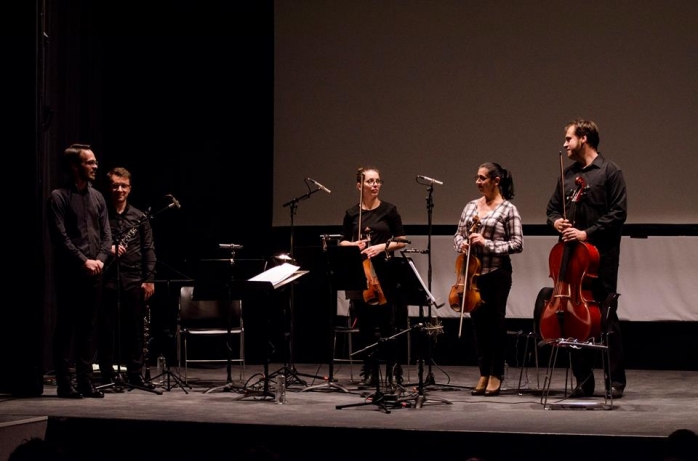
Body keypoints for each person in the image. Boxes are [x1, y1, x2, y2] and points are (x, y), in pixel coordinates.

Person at [546, 118, 627, 399]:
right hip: (571, 257)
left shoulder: (609, 171)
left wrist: (586, 233)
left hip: (599, 257)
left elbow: (618, 213)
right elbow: (552, 209)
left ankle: (615, 379)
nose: (565, 144)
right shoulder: (567, 175)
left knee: (605, 317)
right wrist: (556, 222)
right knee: (572, 316)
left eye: (569, 138)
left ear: (583, 138)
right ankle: (583, 379)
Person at [46, 143, 111, 398]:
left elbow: (107, 235)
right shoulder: (58, 197)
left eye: (95, 162)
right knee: (66, 328)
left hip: (96, 272)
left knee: (89, 328)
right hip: (71, 273)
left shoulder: (98, 198)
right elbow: (60, 238)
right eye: (90, 163)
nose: (96, 166)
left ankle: (86, 381)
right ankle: (65, 382)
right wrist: (84, 260)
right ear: (75, 166)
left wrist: (101, 260)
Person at [453, 162, 523, 396]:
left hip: (497, 274)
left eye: (483, 178)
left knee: (495, 325)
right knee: (478, 326)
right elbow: (457, 235)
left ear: (496, 180)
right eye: (476, 177)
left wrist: (487, 243)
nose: (478, 182)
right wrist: (462, 243)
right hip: (473, 275)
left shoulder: (508, 209)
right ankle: (483, 372)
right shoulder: (471, 206)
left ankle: (496, 374)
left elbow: (517, 244)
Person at [339, 167, 408, 388]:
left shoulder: (389, 210)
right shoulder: (352, 213)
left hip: (385, 272)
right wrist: (353, 244)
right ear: (360, 186)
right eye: (370, 182)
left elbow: (402, 240)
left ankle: (393, 371)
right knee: (366, 326)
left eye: (378, 181)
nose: (375, 185)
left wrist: (380, 247)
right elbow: (342, 241)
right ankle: (370, 372)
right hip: (362, 273)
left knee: (389, 324)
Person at [97, 167, 156, 389]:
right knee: (106, 328)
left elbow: (149, 249)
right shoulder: (101, 215)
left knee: (135, 330)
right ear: (109, 187)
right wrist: (109, 248)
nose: (119, 189)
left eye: (123, 186)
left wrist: (149, 278)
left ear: (129, 189)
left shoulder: (140, 217)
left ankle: (135, 374)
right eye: (115, 185)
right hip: (108, 277)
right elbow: (93, 243)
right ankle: (106, 374)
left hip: (133, 278)